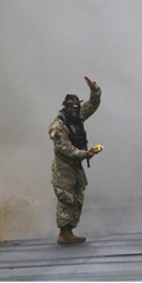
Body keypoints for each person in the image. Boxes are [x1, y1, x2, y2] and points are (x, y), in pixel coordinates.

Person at [49, 75, 102, 244]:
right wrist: (84, 154)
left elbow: (92, 105)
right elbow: (64, 148)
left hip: (75, 165)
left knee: (78, 196)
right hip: (64, 166)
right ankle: (64, 233)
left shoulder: (76, 117)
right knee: (66, 198)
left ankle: (70, 230)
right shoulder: (57, 126)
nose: (75, 111)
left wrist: (94, 89)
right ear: (65, 107)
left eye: (76, 108)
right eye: (72, 108)